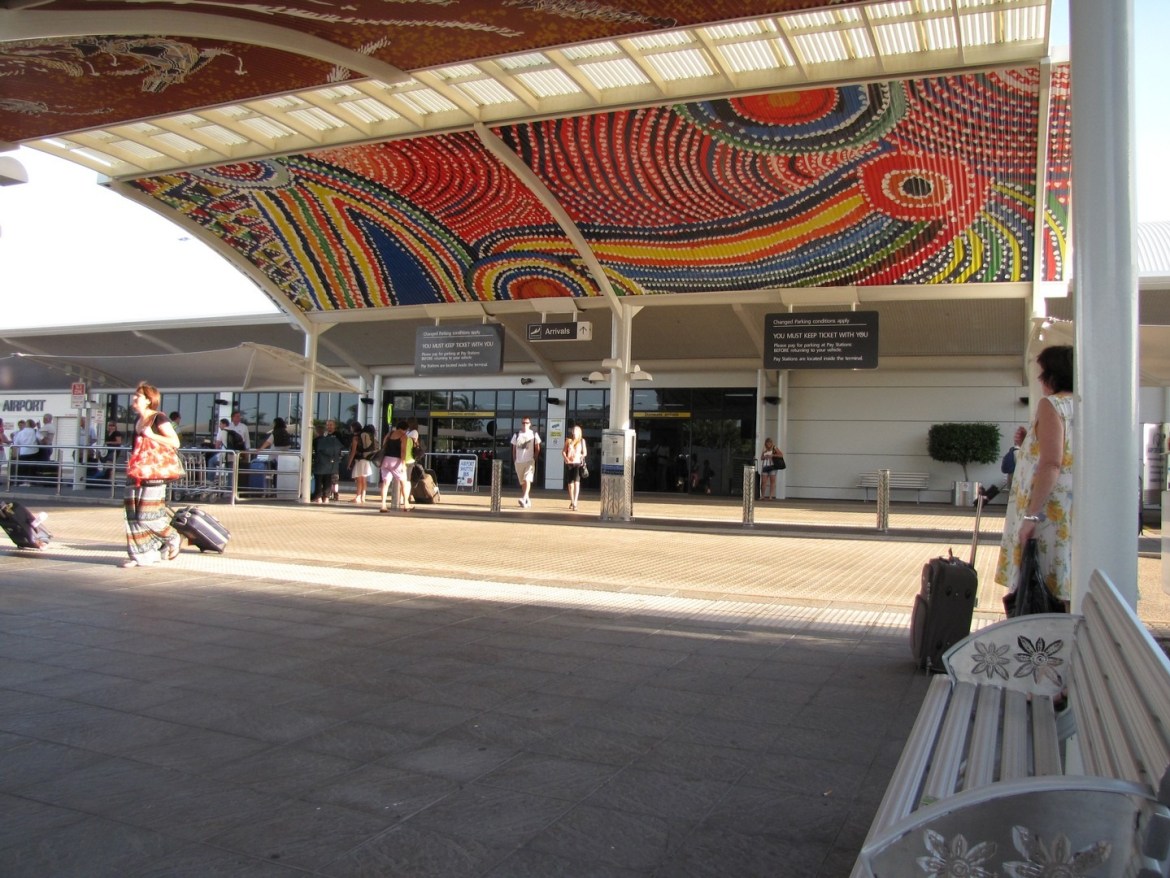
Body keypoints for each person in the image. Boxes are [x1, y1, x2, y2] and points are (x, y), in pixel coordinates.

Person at [995, 345, 1074, 606]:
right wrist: (1031, 440)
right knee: (1066, 582)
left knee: (1042, 582)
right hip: (1070, 510)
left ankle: (1045, 640)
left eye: (1042, 374)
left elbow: (1052, 463)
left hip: (1048, 510)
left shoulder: (1051, 405)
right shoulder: (1085, 405)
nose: (1039, 380)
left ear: (1053, 376)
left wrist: (1031, 515)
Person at [120, 382, 182, 569]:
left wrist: (151, 435)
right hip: (137, 472)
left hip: (154, 473)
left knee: (147, 516)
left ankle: (172, 537)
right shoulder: (137, 421)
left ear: (149, 400)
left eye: (138, 396)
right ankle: (142, 555)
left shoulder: (159, 418)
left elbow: (175, 442)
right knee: (132, 516)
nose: (134, 399)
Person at [377, 419, 412, 513]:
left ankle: (383, 505)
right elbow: (403, 451)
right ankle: (406, 504)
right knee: (403, 483)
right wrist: (403, 464)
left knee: (385, 483)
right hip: (396, 461)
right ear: (405, 429)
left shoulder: (389, 434)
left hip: (385, 460)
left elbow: (383, 446)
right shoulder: (403, 436)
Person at [511, 417, 541, 508]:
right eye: (523, 423)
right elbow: (514, 449)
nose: (525, 424)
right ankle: (527, 499)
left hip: (529, 461)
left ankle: (524, 498)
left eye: (527, 423)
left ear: (530, 424)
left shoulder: (534, 434)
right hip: (519, 462)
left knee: (527, 479)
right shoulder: (516, 435)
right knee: (523, 482)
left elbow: (537, 448)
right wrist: (515, 460)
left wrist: (534, 458)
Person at [311, 423, 344, 504]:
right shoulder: (332, 440)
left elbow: (314, 450)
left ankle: (318, 497)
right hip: (330, 463)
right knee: (327, 480)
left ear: (317, 432)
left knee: (318, 480)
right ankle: (326, 497)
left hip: (320, 463)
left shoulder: (316, 441)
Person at [347, 422, 377, 504]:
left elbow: (353, 452)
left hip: (359, 460)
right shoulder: (364, 436)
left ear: (353, 428)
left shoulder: (356, 438)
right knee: (364, 480)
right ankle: (363, 497)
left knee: (359, 480)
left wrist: (349, 463)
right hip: (366, 459)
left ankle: (358, 497)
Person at [562, 424, 587, 511]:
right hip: (570, 463)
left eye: (576, 430)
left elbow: (585, 452)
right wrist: (566, 459)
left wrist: (581, 456)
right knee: (570, 484)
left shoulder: (582, 441)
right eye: (573, 430)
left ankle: (575, 502)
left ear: (579, 432)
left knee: (577, 482)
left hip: (577, 463)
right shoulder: (568, 441)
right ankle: (572, 500)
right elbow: (564, 451)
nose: (574, 432)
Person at [12, 418, 40, 486]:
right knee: (32, 467)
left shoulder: (20, 432)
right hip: (34, 451)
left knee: (24, 467)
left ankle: (24, 481)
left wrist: (14, 454)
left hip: (23, 452)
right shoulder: (35, 431)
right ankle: (31, 482)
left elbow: (16, 443)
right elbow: (41, 439)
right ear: (33, 425)